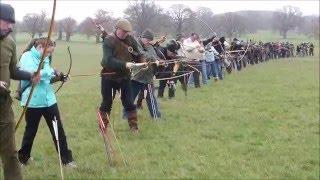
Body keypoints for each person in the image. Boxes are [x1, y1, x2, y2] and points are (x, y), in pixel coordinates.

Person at [17, 37, 76, 168]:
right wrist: (52, 71)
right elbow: (32, 73)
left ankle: (67, 160)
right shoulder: (27, 56)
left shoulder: (46, 58)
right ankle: (22, 159)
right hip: (33, 101)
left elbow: (46, 78)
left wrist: (60, 77)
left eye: (50, 53)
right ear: (39, 48)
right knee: (30, 131)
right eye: (48, 52)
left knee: (58, 131)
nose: (49, 55)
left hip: (49, 101)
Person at [0, 3, 40, 180]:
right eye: (6, 21)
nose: (10, 25)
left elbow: (13, 71)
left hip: (3, 105)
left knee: (10, 152)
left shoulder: (10, 42)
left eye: (12, 22)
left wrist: (30, 75)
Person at [99, 19, 146, 133]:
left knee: (129, 102)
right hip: (109, 77)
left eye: (127, 32)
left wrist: (142, 62)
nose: (125, 34)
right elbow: (107, 61)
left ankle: (134, 128)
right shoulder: (108, 40)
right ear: (117, 29)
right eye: (123, 31)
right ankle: (102, 129)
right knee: (107, 103)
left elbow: (138, 53)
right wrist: (125, 64)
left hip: (125, 77)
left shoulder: (130, 39)